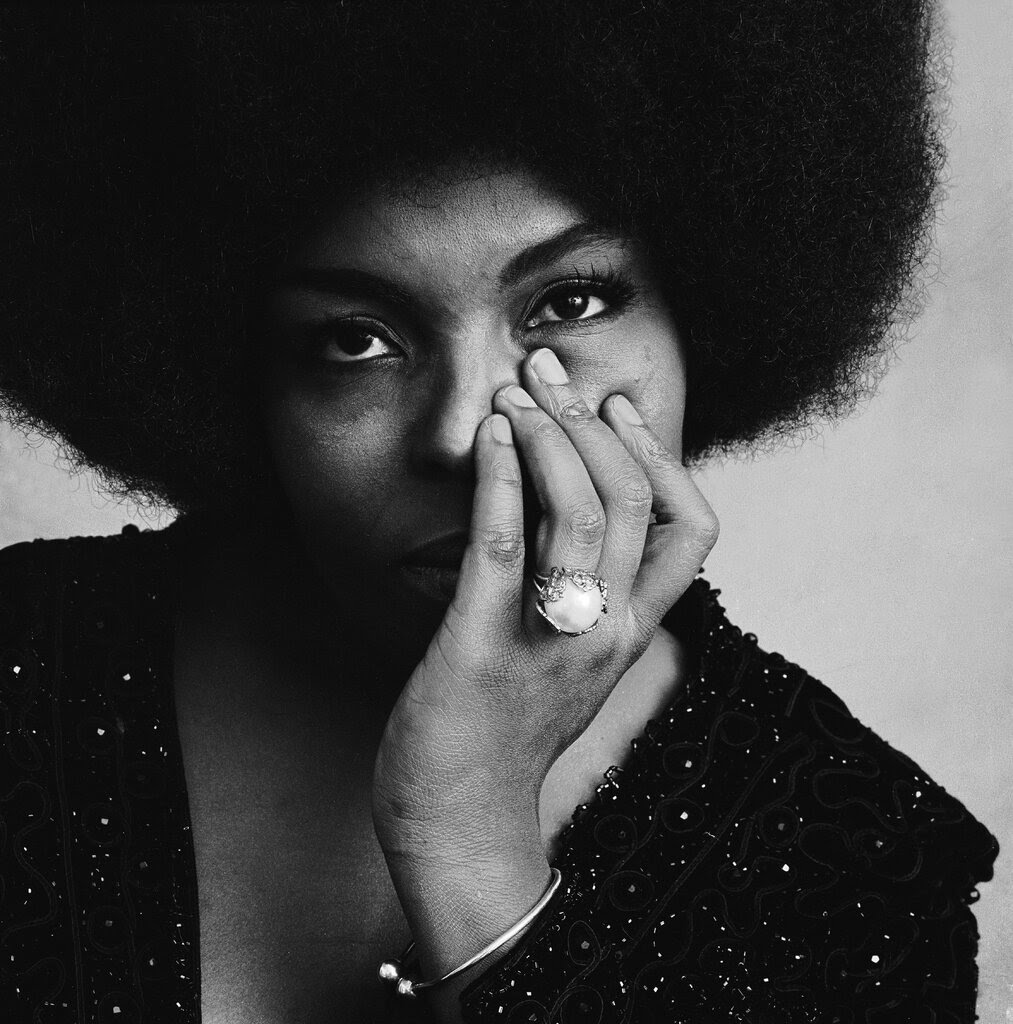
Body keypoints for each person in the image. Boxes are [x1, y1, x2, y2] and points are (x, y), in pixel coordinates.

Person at [0, 4, 999, 1022]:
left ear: (706, 307)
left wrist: (466, 838)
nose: (460, 429)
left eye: (566, 303)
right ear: (232, 372)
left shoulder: (857, 868)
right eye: (354, 338)